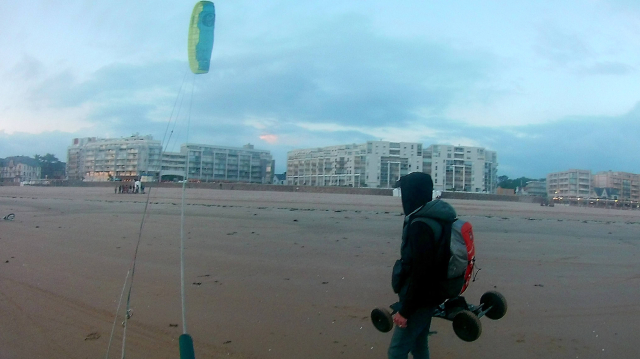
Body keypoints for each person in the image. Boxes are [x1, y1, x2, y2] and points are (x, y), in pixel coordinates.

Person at [388, 172, 457, 359]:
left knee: (397, 351)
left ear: (412, 193)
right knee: (418, 345)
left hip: (420, 299)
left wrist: (405, 310)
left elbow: (421, 272)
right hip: (433, 293)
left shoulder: (420, 225)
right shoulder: (439, 216)